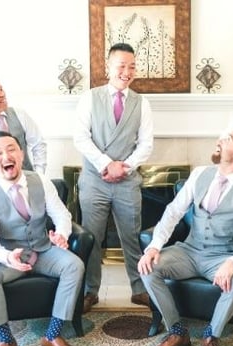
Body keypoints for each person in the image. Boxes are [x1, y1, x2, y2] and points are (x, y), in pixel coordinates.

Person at [138, 130, 233, 346]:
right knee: (148, 268)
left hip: (222, 256)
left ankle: (211, 338)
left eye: (229, 138)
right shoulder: (200, 174)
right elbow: (173, 213)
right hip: (188, 251)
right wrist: (154, 246)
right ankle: (177, 332)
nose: (222, 139)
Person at [0, 131, 85, 346]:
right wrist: (6, 257)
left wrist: (62, 235)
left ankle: (53, 335)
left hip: (44, 251)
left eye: (11, 149)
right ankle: (5, 340)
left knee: (74, 265)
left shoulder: (41, 181)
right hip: (10, 258)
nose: (6, 156)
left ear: (21, 154)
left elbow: (62, 215)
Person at [73, 42, 154, 313]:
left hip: (128, 181)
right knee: (92, 237)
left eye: (132, 66)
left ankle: (140, 289)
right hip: (94, 180)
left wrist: (125, 167)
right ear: (108, 66)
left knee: (132, 236)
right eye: (121, 65)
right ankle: (89, 290)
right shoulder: (89, 98)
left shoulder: (142, 103)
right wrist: (107, 164)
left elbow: (146, 145)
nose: (127, 71)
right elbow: (81, 138)